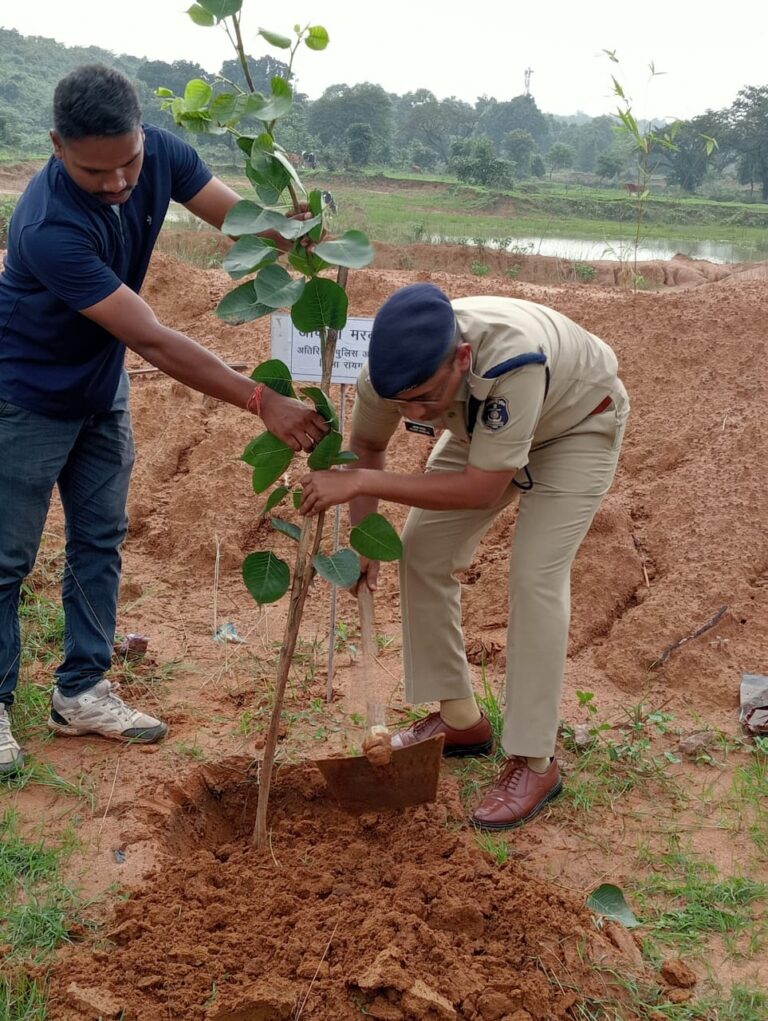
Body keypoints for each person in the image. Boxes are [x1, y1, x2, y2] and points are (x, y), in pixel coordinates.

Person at [0, 65, 330, 776]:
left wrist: (298, 238)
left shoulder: (162, 154)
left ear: (143, 136)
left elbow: (236, 218)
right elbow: (149, 336)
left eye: (130, 162)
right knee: (6, 557)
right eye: (96, 170)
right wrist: (259, 398)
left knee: (99, 540)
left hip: (99, 388)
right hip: (24, 396)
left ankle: (82, 691)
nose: (119, 182)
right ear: (58, 147)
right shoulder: (47, 227)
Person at [299, 283, 629, 829]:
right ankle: (461, 720)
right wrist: (365, 540)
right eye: (404, 402)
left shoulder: (511, 359)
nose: (417, 411)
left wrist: (360, 480)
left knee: (535, 575)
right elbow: (369, 449)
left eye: (427, 397)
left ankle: (533, 759)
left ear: (462, 357)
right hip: (483, 429)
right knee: (423, 548)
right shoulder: (389, 374)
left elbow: (479, 489)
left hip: (574, 424)